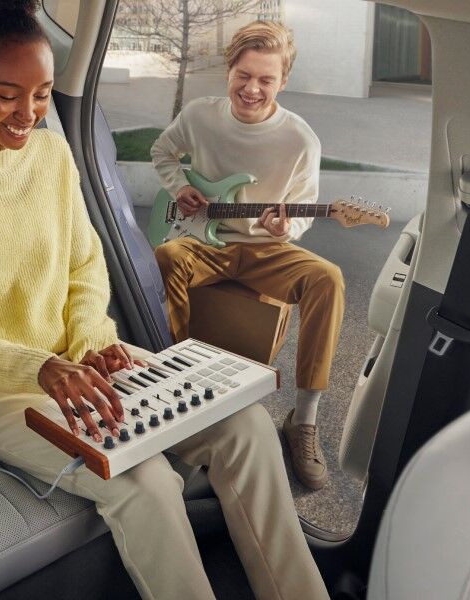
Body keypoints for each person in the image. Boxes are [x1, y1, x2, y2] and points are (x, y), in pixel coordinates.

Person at [0, 2, 329, 598]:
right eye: (8, 95)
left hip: (82, 359)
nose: (28, 115)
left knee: (247, 425)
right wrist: (41, 367)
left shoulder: (50, 154)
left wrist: (92, 340)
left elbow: (83, 265)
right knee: (144, 480)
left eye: (43, 95)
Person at [151, 21, 344, 491]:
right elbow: (163, 151)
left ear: (282, 82)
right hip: (203, 240)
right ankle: (176, 378)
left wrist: (287, 226)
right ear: (228, 72)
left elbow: (303, 211)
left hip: (266, 249)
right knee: (167, 257)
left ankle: (304, 419)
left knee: (328, 278)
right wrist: (182, 188)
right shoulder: (199, 116)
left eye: (266, 79)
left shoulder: (301, 140)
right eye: (244, 75)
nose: (252, 89)